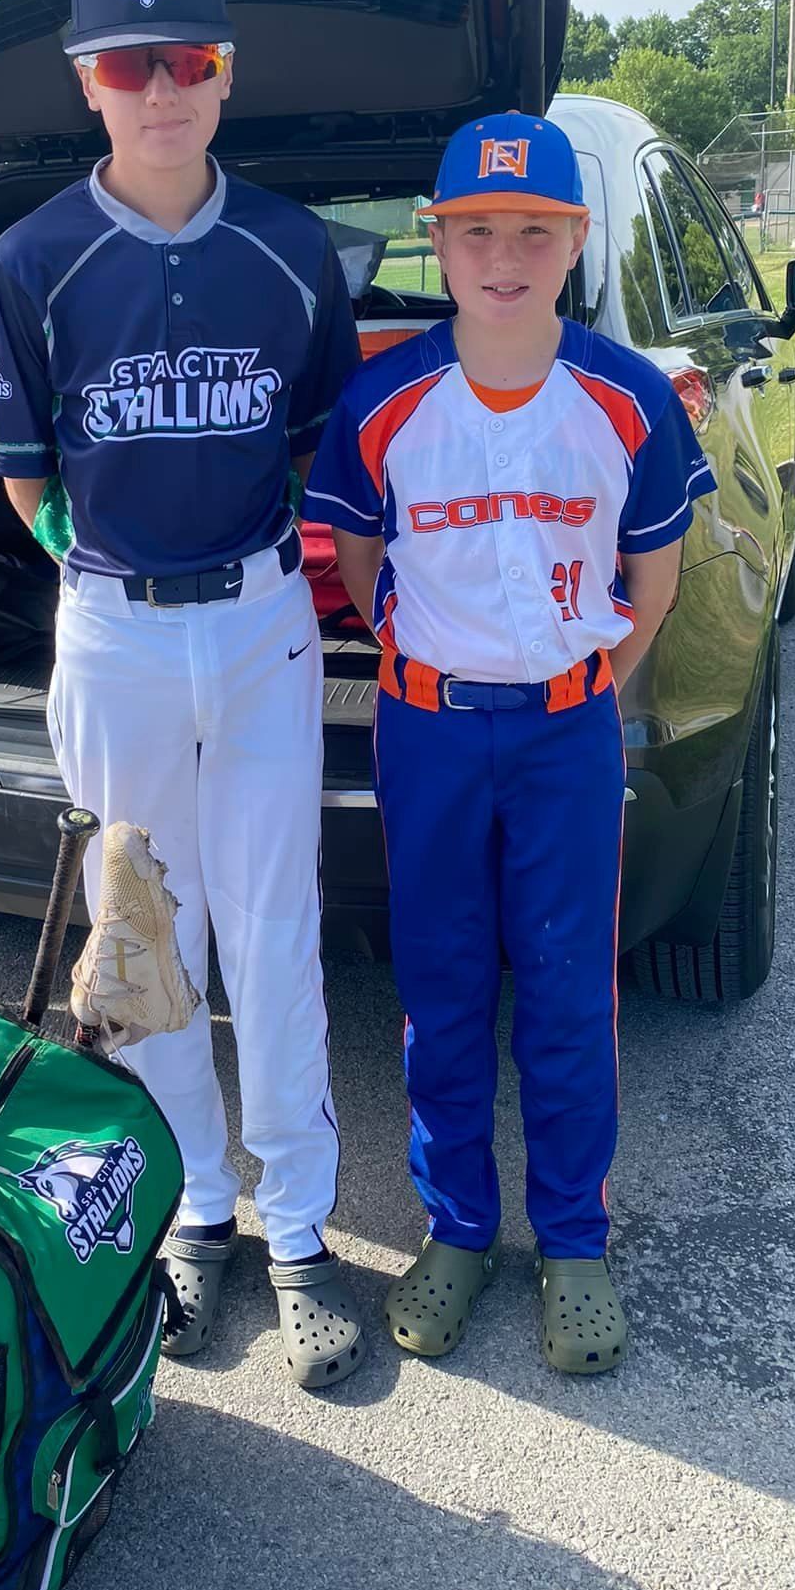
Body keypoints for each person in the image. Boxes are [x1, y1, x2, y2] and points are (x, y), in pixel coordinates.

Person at [0, 0, 366, 1390]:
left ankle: (301, 1228)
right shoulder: (33, 257)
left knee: (274, 926)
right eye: (131, 61)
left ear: (225, 72)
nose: (163, 89)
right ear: (89, 79)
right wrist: (109, 583)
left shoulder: (285, 249)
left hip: (263, 617)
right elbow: (25, 475)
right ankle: (195, 1210)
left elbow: (327, 441)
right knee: (148, 933)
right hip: (119, 628)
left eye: (188, 57)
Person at [303, 112, 716, 1373]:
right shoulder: (385, 396)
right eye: (476, 229)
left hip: (563, 731)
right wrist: (431, 652)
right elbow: (365, 559)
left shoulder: (627, 397)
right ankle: (460, 1225)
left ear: (574, 239)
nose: (503, 254)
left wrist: (580, 685)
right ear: (439, 238)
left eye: (533, 229)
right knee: (439, 983)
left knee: (566, 985)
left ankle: (574, 1237)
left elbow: (655, 576)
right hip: (428, 726)